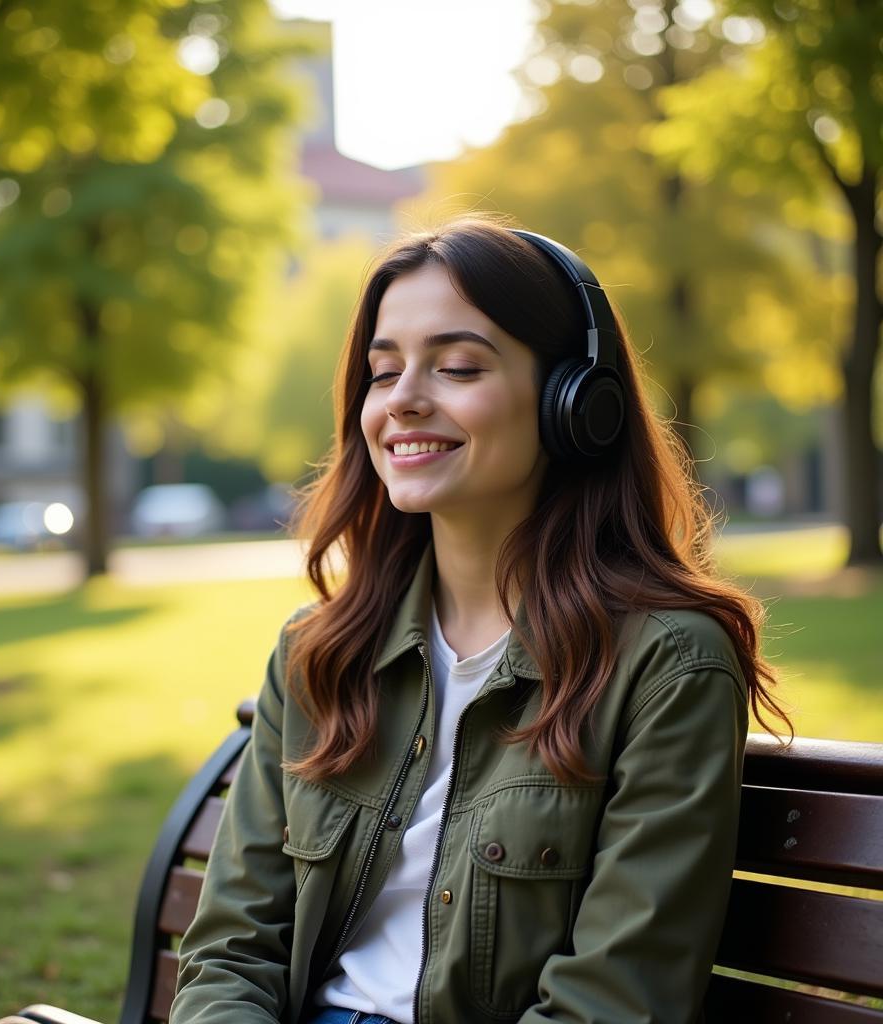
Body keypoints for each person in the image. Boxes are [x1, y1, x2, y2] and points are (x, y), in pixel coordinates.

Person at [169, 216, 792, 1024]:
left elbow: (609, 1005)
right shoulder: (318, 652)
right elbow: (229, 953)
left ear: (577, 401)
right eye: (383, 371)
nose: (404, 402)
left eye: (458, 367)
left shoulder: (666, 664)